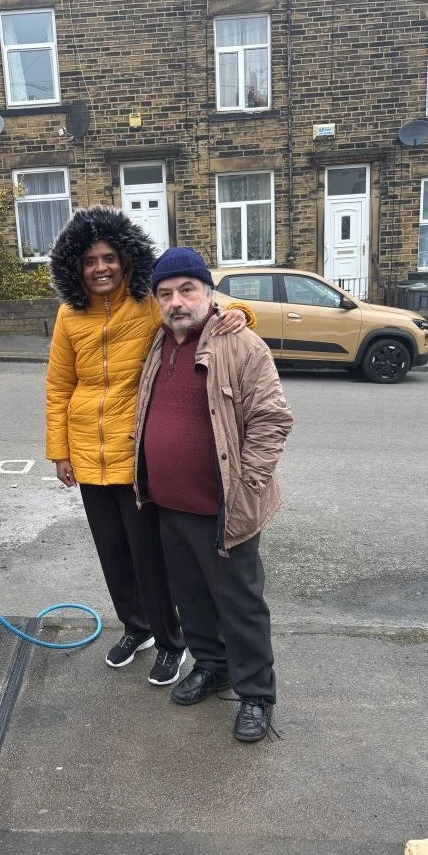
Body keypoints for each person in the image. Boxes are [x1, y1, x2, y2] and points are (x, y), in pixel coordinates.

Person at [46, 206, 252, 686]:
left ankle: (169, 641)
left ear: (126, 258)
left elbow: (206, 314)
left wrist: (242, 314)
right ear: (75, 266)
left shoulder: (148, 304)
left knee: (149, 558)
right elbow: (58, 385)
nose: (101, 267)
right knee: (112, 554)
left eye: (109, 257)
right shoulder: (68, 315)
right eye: (90, 259)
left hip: (137, 453)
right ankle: (135, 628)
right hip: (86, 453)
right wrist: (60, 451)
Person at [134, 247, 294, 742]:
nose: (176, 302)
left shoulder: (242, 345)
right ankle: (211, 665)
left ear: (208, 293)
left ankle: (256, 695)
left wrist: (248, 486)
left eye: (186, 290)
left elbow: (272, 420)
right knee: (191, 598)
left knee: (241, 604)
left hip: (224, 506)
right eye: (165, 293)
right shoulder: (159, 343)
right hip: (169, 503)